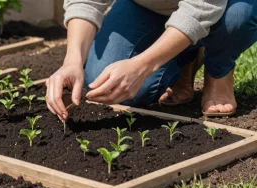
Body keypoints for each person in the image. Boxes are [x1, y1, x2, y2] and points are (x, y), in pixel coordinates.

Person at [46, 0, 257, 122]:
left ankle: (219, 70)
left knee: (237, 18)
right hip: (146, 6)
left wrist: (143, 65)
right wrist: (72, 60)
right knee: (109, 85)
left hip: (223, 4)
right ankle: (186, 59)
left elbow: (203, 5)